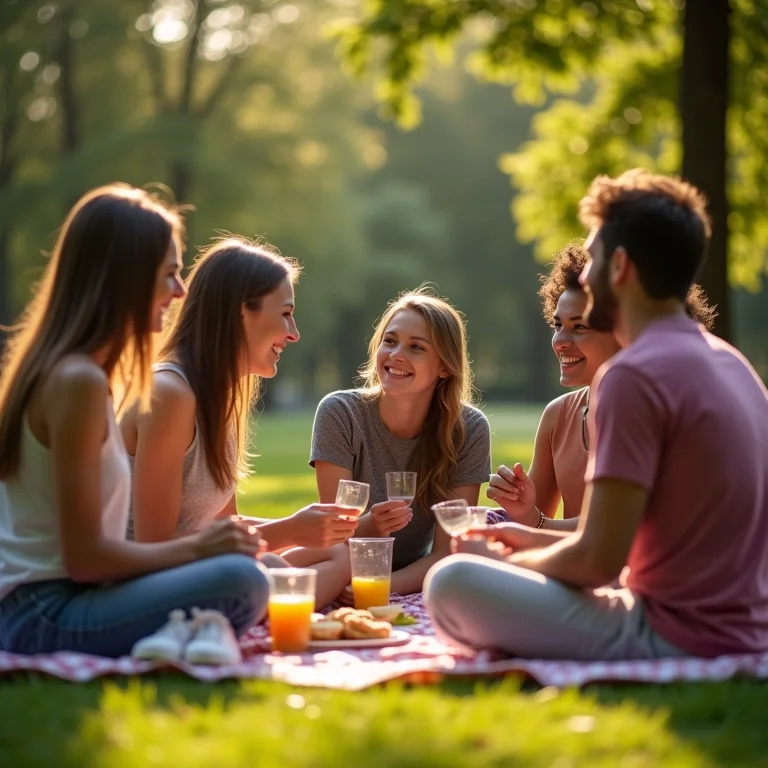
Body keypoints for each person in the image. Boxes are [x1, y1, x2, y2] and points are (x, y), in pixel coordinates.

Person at [426, 169, 768, 660]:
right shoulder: (730, 362)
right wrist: (528, 538)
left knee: (453, 581)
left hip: (675, 635)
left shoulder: (632, 375)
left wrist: (505, 560)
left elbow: (597, 561)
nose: (585, 274)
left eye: (594, 258)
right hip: (748, 629)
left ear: (621, 266)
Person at [0, 185, 270, 658]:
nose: (180, 291)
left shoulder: (78, 374)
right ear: (124, 277)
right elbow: (86, 559)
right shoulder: (77, 381)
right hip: (41, 614)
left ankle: (185, 628)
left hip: (63, 600)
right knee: (243, 580)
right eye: (169, 274)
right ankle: (194, 627)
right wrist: (201, 551)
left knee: (246, 575)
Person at [120, 237, 357, 608]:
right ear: (240, 312)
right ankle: (272, 610)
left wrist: (309, 529)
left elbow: (221, 527)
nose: (293, 333)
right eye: (285, 313)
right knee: (266, 569)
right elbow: (154, 543)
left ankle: (273, 607)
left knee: (340, 555)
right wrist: (288, 530)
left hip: (198, 568)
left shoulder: (219, 398)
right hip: (142, 581)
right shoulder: (170, 394)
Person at [486, 244, 716, 533]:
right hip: (570, 569)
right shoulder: (558, 415)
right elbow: (534, 524)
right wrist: (517, 505)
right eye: (558, 325)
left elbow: (616, 530)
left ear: (624, 331)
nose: (560, 341)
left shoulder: (654, 412)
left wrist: (535, 524)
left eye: (579, 327)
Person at [310, 288, 491, 596]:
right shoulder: (340, 413)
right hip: (337, 567)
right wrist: (371, 525)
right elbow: (333, 535)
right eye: (390, 341)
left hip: (407, 581)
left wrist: (379, 587)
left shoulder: (469, 429)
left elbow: (448, 551)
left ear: (445, 367)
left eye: (416, 347)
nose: (396, 355)